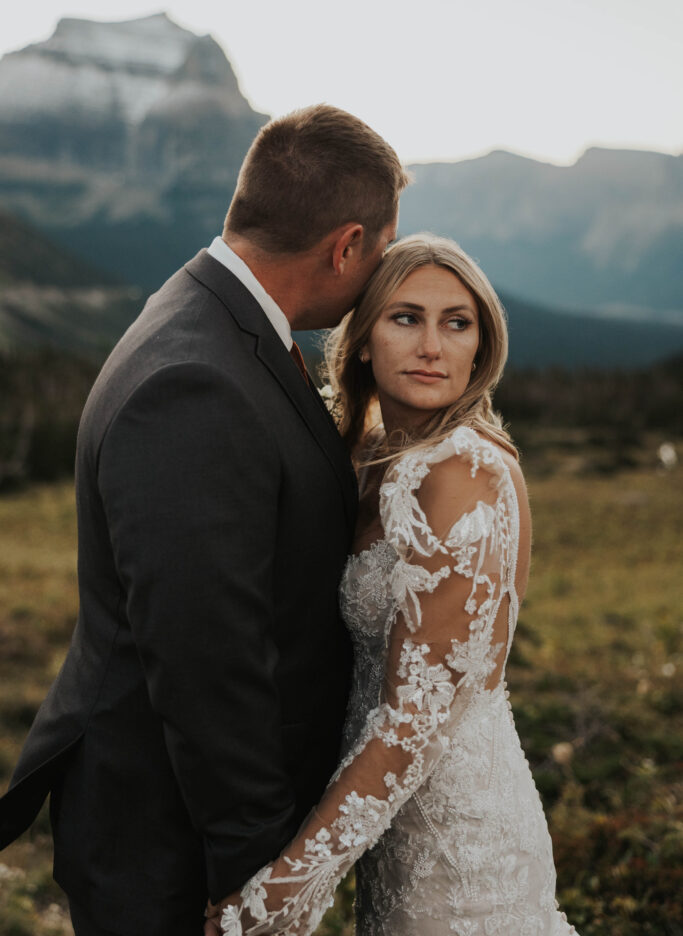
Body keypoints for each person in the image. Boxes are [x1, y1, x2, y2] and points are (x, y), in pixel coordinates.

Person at [0, 105, 407, 936]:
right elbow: (203, 654)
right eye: (382, 252)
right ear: (345, 246)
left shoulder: (212, 316)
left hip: (174, 817)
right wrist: (258, 875)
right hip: (167, 840)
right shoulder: (196, 382)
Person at [210, 234, 580, 936]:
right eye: (405, 317)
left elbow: (414, 721)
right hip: (385, 823)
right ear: (361, 340)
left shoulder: (463, 474)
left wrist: (286, 892)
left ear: (481, 345)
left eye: (456, 323)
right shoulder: (370, 455)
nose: (432, 345)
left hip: (460, 841)